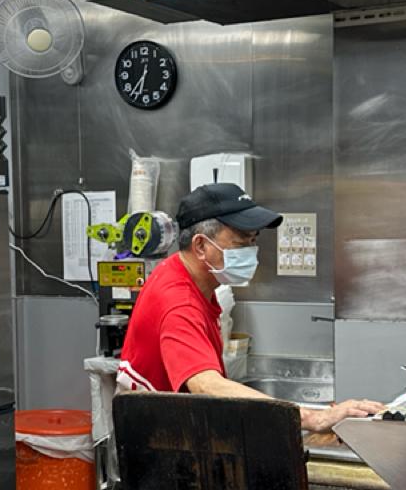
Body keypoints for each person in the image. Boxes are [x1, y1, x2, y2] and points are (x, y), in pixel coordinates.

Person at [118, 184, 384, 431]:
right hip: (156, 439)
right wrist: (312, 418)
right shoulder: (178, 302)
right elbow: (205, 384)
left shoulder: (184, 276)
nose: (251, 251)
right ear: (200, 246)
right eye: (241, 242)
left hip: (169, 426)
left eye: (253, 241)